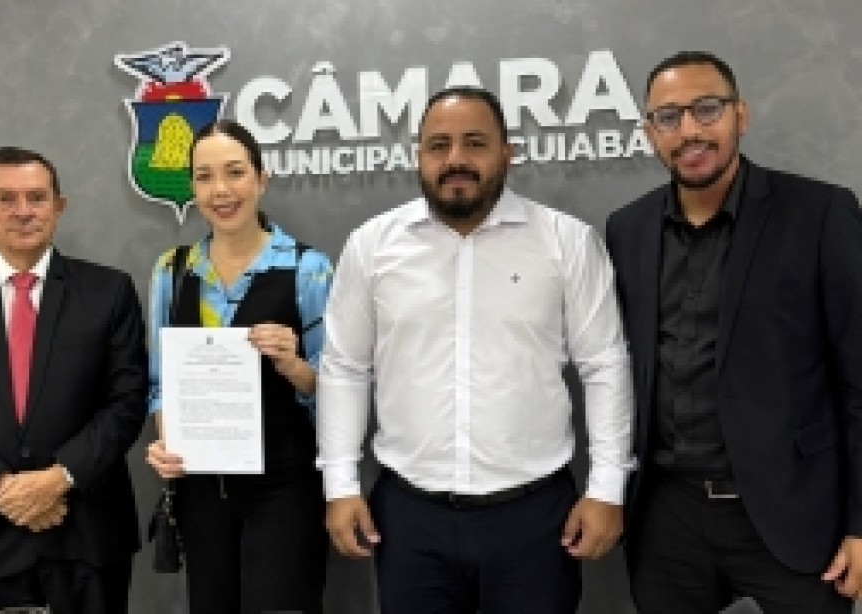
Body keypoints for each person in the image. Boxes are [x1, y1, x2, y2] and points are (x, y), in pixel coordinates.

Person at [317, 86, 635, 614]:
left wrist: (607, 488)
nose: (456, 160)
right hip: (409, 517)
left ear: (507, 153)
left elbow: (604, 364)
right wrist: (340, 484)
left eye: (475, 143)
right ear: (418, 155)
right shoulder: (372, 246)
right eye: (439, 145)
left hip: (535, 518)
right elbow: (345, 368)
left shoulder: (567, 242)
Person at [603, 50, 862, 613]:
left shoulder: (820, 213)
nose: (689, 131)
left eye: (707, 109)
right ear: (649, 133)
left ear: (740, 115)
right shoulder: (627, 229)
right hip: (667, 517)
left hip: (793, 510)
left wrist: (861, 524)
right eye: (668, 117)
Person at [0, 146, 149, 613]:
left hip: (86, 531)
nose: (23, 211)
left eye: (37, 198)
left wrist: (57, 480)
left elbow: (126, 402)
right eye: (5, 198)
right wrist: (1, 488)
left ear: (59, 206)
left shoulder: (109, 292)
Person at [144, 120, 333, 614]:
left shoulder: (308, 269)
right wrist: (167, 442)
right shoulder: (172, 270)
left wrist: (293, 364)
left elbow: (337, 391)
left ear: (261, 179)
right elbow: (161, 383)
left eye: (234, 173)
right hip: (201, 491)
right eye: (204, 177)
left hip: (284, 487)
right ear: (192, 187)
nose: (220, 190)